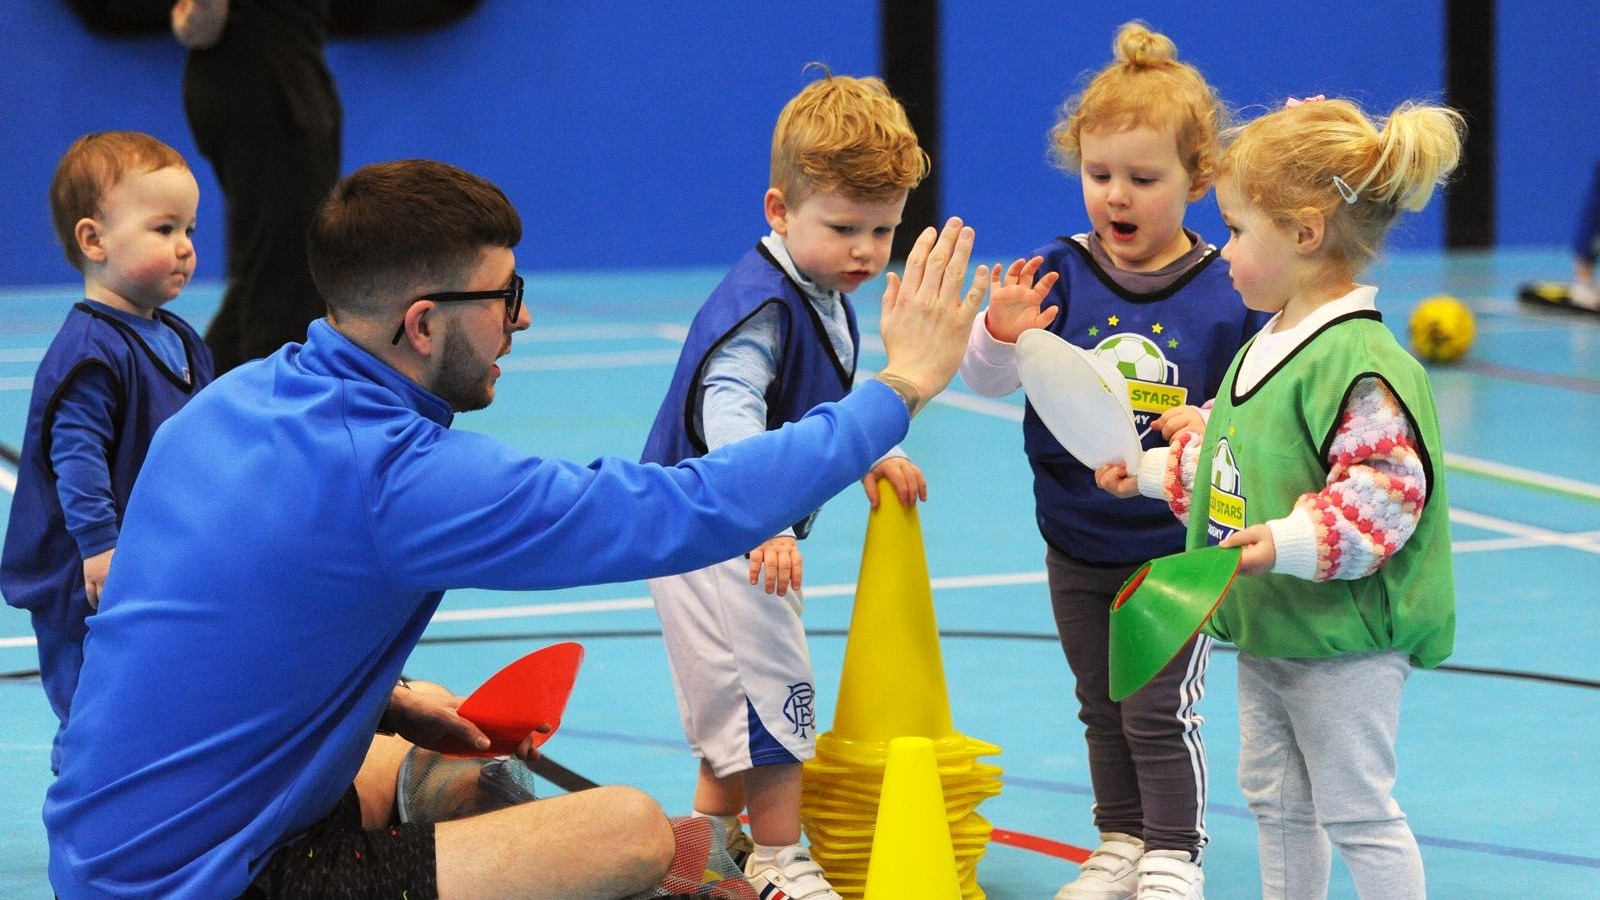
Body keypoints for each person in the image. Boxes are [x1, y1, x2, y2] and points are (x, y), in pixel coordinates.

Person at [42, 158, 986, 900]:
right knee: (628, 831)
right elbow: (677, 510)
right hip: (208, 884)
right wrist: (898, 392)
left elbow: (196, 624)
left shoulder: (231, 402)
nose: (522, 318)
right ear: (422, 323)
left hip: (101, 849)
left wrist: (391, 698)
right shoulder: (400, 476)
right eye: (504, 295)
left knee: (437, 750)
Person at [1096, 96, 1462, 900]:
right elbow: (1241, 472)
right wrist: (1155, 475)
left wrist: (1282, 542)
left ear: (1303, 233)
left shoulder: (1357, 361)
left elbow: (1380, 502)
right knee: (1278, 803)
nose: (1223, 252)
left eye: (1236, 230)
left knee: (1356, 809)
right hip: (1273, 628)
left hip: (1344, 643)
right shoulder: (1269, 341)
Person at [959, 22, 1265, 900]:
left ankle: (1173, 853)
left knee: (1156, 707)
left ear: (1199, 182)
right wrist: (997, 332)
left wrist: (1207, 427)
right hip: (1074, 539)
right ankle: (1120, 839)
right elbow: (988, 382)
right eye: (1099, 176)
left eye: (1142, 178)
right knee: (1101, 706)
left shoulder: (1227, 289)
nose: (1115, 197)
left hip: (1173, 550)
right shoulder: (1056, 271)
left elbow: (1250, 416)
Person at [638, 70, 931, 900]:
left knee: (733, 707)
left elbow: (814, 403)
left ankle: (697, 862)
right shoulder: (761, 308)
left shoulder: (819, 285)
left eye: (883, 230)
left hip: (714, 526)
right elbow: (734, 417)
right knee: (776, 700)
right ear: (778, 210)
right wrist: (763, 520)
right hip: (717, 528)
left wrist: (864, 453)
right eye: (844, 228)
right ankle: (778, 859)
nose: (867, 252)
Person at [0, 131, 214, 776]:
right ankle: (83, 820)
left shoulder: (177, 336)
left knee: (156, 701)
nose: (184, 247)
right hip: (89, 578)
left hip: (156, 560)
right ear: (94, 241)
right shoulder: (92, 350)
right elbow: (78, 457)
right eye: (162, 228)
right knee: (96, 711)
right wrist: (98, 547)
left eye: (190, 228)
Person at [170, 0, 341, 372]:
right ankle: (267, 414)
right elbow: (200, 23)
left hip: (282, 73)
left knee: (270, 268)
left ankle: (186, 403)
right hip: (266, 86)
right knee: (285, 278)